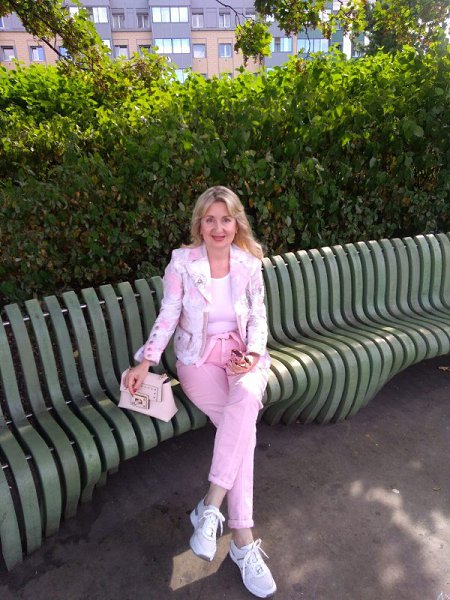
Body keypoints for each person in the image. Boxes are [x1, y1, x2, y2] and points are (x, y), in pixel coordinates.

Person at [127, 186, 277, 598]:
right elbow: (169, 312)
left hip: (243, 356)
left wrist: (252, 354)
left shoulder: (249, 264)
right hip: (198, 360)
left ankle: (212, 506)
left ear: (237, 223)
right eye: (210, 219)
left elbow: (259, 317)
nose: (218, 227)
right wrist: (146, 361)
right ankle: (241, 541)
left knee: (244, 404)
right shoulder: (182, 263)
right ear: (199, 224)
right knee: (241, 428)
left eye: (226, 219)